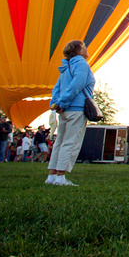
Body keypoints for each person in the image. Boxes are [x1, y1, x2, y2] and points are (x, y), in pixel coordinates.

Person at [46, 39, 96, 186]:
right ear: (78, 50)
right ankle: (61, 177)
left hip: (65, 110)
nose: (86, 49)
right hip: (77, 108)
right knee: (70, 142)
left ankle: (51, 176)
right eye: (84, 46)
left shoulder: (66, 67)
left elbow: (57, 88)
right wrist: (63, 102)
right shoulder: (81, 64)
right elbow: (77, 85)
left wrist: (56, 104)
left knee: (59, 142)